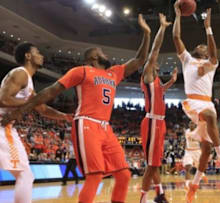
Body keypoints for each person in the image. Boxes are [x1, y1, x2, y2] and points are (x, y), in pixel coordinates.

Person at [2, 14, 151, 203]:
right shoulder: (81, 71)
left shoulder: (114, 73)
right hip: (86, 124)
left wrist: (147, 34)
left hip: (106, 127)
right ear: (94, 57)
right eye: (102, 52)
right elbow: (50, 91)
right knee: (95, 175)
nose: (105, 54)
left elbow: (140, 59)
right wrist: (21, 110)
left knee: (124, 174)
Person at [172, 1, 220, 202]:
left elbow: (214, 53)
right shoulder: (187, 59)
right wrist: (177, 15)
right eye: (199, 45)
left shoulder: (211, 63)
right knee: (211, 115)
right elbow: (176, 37)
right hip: (193, 103)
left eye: (203, 45)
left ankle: (193, 186)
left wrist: (208, 27)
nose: (200, 45)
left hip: (207, 102)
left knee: (206, 150)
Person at [0, 42, 72, 203]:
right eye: (37, 52)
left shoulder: (28, 81)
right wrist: (28, 104)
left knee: (25, 174)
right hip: (2, 126)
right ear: (28, 56)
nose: (42, 56)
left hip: (6, 126)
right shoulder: (20, 73)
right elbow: (3, 99)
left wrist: (65, 116)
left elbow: (43, 109)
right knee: (25, 174)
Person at [139, 13, 177, 203]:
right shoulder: (147, 74)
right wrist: (162, 28)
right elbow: (155, 50)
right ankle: (143, 199)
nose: (156, 64)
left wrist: (171, 81)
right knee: (152, 165)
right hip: (152, 120)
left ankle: (160, 195)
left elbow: (161, 90)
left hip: (159, 123)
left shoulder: (157, 82)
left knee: (154, 163)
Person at [182, 121, 208, 190]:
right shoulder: (186, 131)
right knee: (188, 167)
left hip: (197, 151)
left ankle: (202, 175)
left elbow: (203, 142)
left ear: (195, 125)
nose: (191, 124)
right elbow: (186, 140)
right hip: (188, 151)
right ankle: (187, 184)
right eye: (190, 123)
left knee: (199, 168)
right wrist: (183, 145)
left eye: (192, 123)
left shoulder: (198, 132)